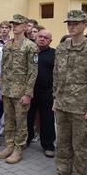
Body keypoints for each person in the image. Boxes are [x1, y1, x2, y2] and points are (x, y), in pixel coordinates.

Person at [46, 10, 87, 175]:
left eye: (76, 23)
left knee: (79, 145)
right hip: (62, 103)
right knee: (62, 142)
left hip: (82, 106)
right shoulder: (62, 47)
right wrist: (55, 98)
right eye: (69, 23)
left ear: (85, 25)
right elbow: (56, 74)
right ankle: (63, 173)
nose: (71, 26)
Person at [0, 14, 38, 164]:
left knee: (21, 122)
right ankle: (9, 146)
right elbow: (4, 68)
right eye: (13, 24)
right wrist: (2, 88)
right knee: (8, 120)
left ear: (26, 26)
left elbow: (33, 72)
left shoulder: (30, 46)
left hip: (21, 93)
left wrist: (28, 93)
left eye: (18, 24)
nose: (15, 26)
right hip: (7, 90)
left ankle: (18, 149)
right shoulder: (7, 45)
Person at [26, 30, 56, 158]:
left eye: (46, 38)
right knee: (27, 117)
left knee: (47, 119)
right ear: (35, 37)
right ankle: (25, 140)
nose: (42, 39)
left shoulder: (54, 54)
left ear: (50, 41)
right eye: (40, 36)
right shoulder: (29, 51)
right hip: (29, 91)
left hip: (47, 92)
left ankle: (48, 146)